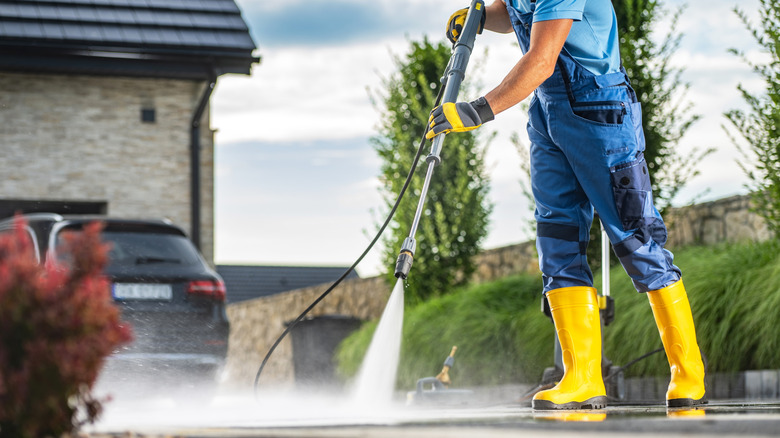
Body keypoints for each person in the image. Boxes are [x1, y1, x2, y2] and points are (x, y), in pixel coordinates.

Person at [427, 0, 706, 410]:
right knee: (557, 243)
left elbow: (541, 59)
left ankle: (688, 373)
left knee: (636, 239)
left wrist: (476, 109)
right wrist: (485, 16)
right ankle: (581, 377)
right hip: (548, 112)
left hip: (600, 110)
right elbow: (518, 12)